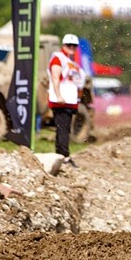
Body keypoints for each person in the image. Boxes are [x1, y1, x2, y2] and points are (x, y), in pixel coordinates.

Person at [48, 33, 87, 163]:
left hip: (70, 101)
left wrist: (78, 99)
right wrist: (58, 95)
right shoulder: (58, 58)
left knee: (64, 128)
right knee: (63, 128)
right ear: (63, 45)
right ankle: (64, 156)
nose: (71, 47)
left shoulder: (72, 62)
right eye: (69, 45)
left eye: (74, 45)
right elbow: (55, 77)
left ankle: (61, 155)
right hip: (61, 101)